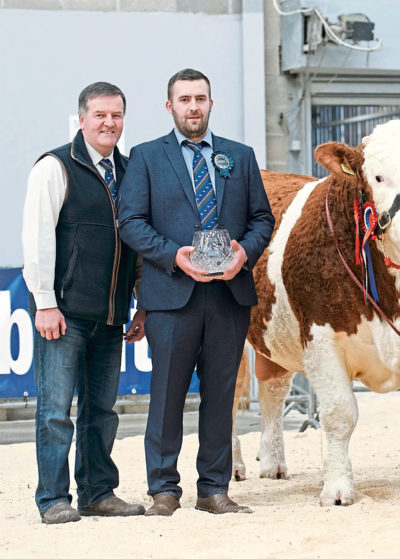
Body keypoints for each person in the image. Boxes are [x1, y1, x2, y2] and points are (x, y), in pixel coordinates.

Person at [118, 69, 274, 516]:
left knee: (221, 395)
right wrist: (174, 255)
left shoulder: (239, 157)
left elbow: (263, 219)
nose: (193, 106)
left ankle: (214, 490)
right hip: (171, 296)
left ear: (211, 104)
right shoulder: (147, 157)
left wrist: (245, 251)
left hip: (229, 295)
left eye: (200, 98)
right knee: (166, 395)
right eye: (184, 99)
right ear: (170, 106)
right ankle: (164, 490)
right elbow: (130, 223)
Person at [22, 82, 147, 524]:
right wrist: (44, 302)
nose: (109, 123)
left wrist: (141, 304)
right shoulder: (55, 166)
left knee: (102, 413)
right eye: (99, 115)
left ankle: (98, 493)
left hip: (112, 315)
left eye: (116, 115)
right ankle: (53, 499)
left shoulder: (131, 171)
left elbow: (135, 247)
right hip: (65, 313)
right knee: (55, 411)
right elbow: (36, 239)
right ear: (82, 119)